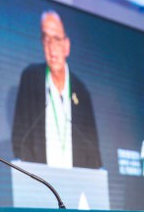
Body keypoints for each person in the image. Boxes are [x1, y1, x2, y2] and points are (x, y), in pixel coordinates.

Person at [11, 10, 101, 169]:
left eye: (57, 39)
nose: (52, 48)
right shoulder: (31, 79)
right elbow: (19, 136)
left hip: (77, 181)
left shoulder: (81, 92)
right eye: (46, 40)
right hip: (41, 179)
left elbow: (93, 151)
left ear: (67, 46)